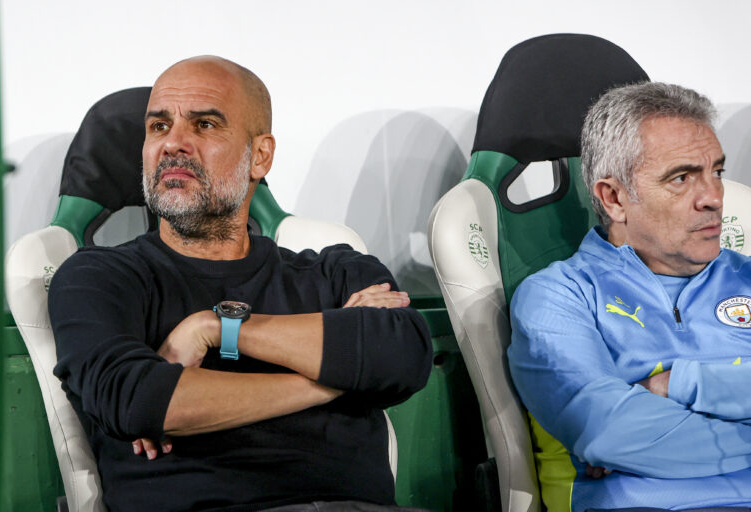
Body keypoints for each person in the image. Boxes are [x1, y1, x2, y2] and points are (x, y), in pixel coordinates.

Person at [48, 56, 432, 512]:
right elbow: (138, 401)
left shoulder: (335, 270)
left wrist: (218, 328)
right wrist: (340, 379)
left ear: (260, 156)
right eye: (159, 127)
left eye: (205, 124)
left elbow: (403, 354)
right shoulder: (97, 278)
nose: (173, 144)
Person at [507, 81, 751, 511]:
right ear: (614, 198)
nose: (713, 197)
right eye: (682, 178)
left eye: (716, 171)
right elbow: (609, 433)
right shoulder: (559, 297)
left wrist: (675, 385)